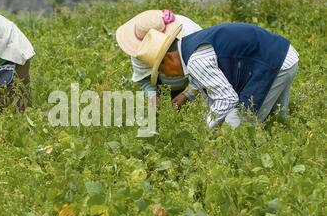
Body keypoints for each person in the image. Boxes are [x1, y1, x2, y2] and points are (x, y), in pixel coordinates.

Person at [117, 22, 299, 129]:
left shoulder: (195, 61)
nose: (168, 76)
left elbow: (226, 99)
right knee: (276, 120)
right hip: (282, 54)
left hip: (274, 63)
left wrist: (205, 130)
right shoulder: (191, 45)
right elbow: (213, 95)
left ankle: (241, 170)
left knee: (238, 121)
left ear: (168, 59)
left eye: (162, 70)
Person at [116, 10, 202, 106]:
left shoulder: (190, 37)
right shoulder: (137, 50)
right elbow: (143, 78)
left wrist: (188, 94)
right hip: (162, 86)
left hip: (196, 82)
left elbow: (204, 74)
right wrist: (153, 96)